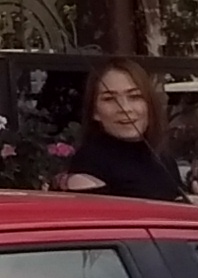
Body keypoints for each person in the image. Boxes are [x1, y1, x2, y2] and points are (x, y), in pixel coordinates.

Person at [52, 58, 187, 201]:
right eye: (109, 99)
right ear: (95, 112)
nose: (124, 108)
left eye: (134, 96)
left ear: (149, 103)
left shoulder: (162, 157)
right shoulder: (90, 163)